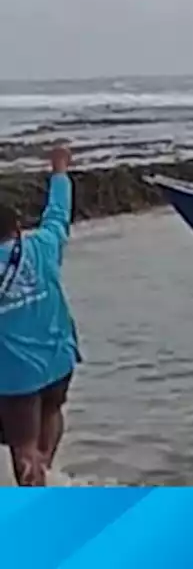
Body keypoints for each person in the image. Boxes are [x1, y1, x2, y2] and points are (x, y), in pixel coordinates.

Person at [0, 144, 81, 486]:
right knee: (51, 411)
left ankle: (35, 498)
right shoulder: (43, 246)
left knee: (22, 446)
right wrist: (60, 170)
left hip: (17, 377)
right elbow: (58, 213)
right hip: (59, 362)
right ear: (17, 229)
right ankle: (46, 469)